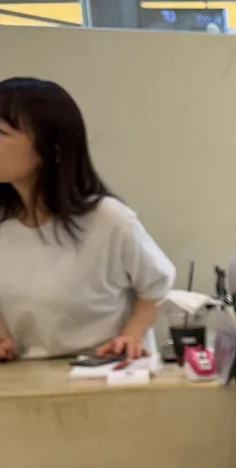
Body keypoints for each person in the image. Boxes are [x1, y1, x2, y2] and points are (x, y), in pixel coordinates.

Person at [0, 77, 175, 362]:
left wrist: (131, 335)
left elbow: (158, 285)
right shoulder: (5, 225)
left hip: (101, 374)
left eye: (2, 132)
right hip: (26, 380)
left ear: (51, 150)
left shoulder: (109, 220)